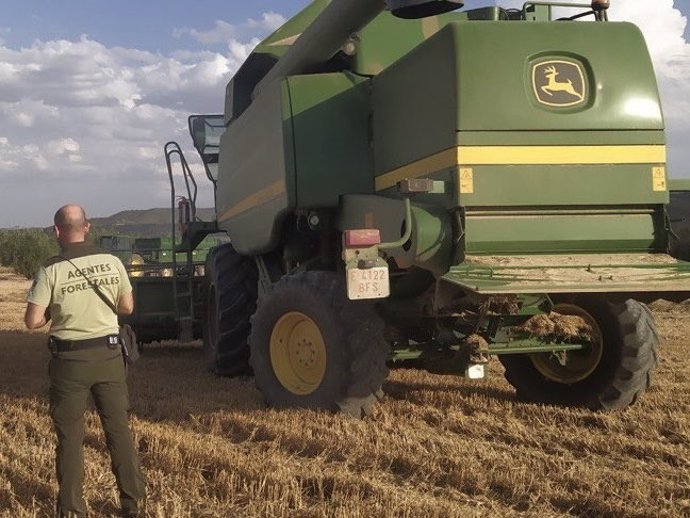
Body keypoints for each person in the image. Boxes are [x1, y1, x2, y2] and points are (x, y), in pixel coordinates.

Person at [24, 204, 146, 518]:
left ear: (57, 231)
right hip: (108, 357)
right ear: (87, 227)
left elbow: (32, 321)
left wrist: (54, 309)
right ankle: (133, 505)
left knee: (70, 439)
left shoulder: (51, 269)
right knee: (118, 431)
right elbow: (127, 307)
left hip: (69, 362)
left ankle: (71, 510)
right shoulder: (112, 261)